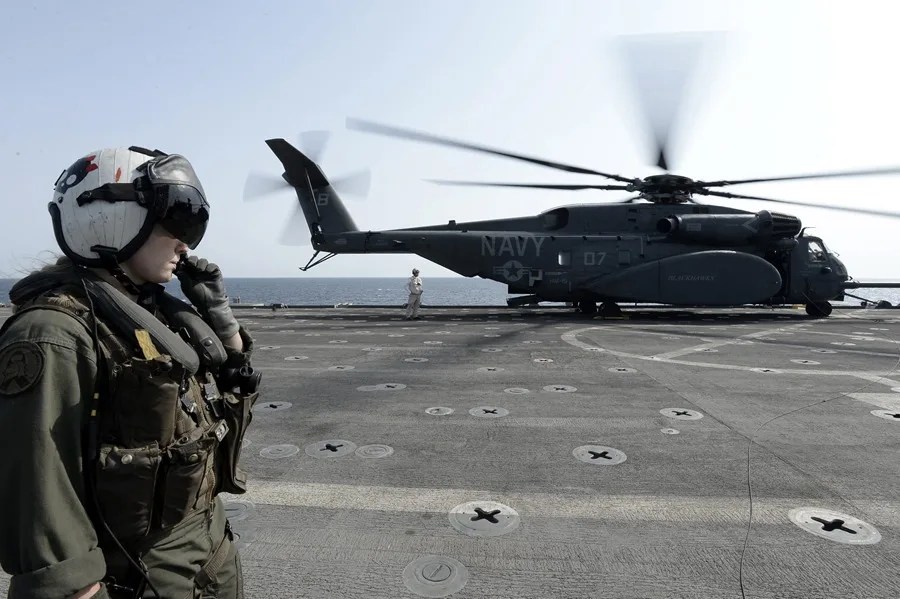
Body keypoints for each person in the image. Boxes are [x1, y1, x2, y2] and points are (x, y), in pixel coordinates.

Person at [0, 147, 260, 598]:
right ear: (111, 217)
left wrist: (221, 319)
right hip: (140, 571)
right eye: (177, 221)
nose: (187, 242)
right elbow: (38, 493)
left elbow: (234, 385)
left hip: (207, 549)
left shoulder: (157, 314)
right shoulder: (54, 332)